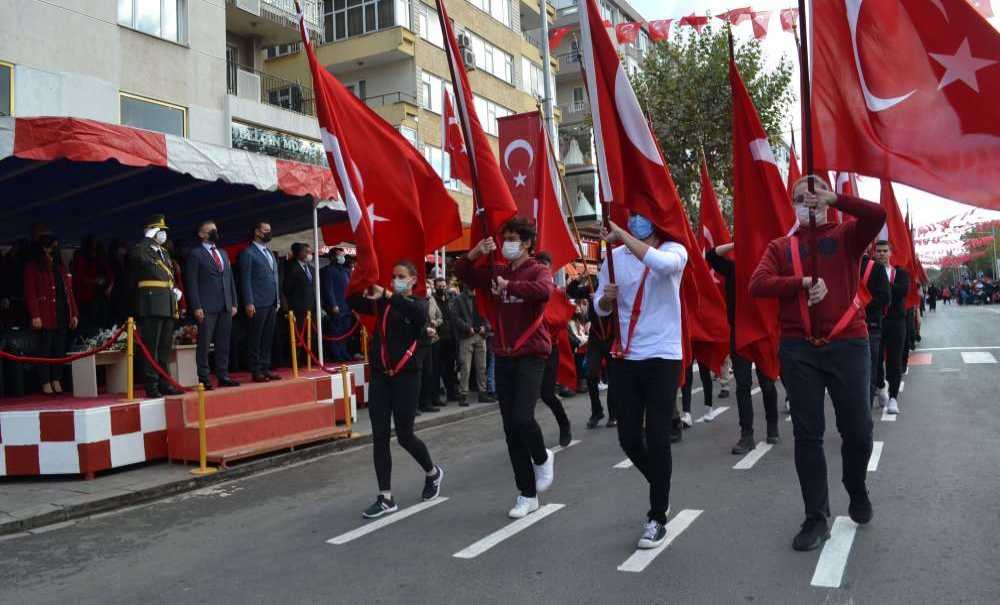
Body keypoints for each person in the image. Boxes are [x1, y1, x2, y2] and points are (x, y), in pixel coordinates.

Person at [749, 176, 885, 552]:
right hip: (799, 348)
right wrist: (801, 282)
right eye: (799, 197)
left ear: (825, 199)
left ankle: (855, 486)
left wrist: (837, 198)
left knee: (857, 429)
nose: (806, 201)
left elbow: (878, 215)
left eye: (813, 194)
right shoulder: (781, 246)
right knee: (807, 435)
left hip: (848, 343)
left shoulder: (846, 236)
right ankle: (816, 517)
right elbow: (756, 284)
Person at [595, 213, 687, 550]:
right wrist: (605, 299)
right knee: (629, 438)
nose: (636, 220)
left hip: (663, 353)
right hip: (625, 356)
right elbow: (600, 306)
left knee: (658, 435)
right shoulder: (613, 258)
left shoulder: (674, 250)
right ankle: (661, 484)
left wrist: (620, 235)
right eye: (630, 216)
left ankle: (657, 515)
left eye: (643, 216)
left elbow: (661, 266)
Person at [455, 218, 555, 519]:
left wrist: (509, 286)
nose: (506, 244)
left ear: (526, 242)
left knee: (524, 418)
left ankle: (542, 456)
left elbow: (543, 291)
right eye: (503, 239)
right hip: (504, 353)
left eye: (512, 238)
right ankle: (527, 494)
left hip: (532, 352)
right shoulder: (497, 271)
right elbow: (461, 271)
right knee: (511, 429)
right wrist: (476, 251)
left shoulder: (538, 269)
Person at [353, 261, 443, 518]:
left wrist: (389, 295)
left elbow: (416, 316)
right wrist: (361, 279)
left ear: (414, 279)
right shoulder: (382, 303)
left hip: (407, 376)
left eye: (401, 276)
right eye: (393, 277)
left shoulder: (419, 303)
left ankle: (432, 473)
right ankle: (385, 497)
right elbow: (353, 301)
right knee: (379, 436)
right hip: (381, 376)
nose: (395, 280)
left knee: (404, 435)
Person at [707, 242, 780, 453]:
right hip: (739, 332)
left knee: (767, 381)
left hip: (763, 333)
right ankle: (746, 435)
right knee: (743, 385)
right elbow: (711, 256)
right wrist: (736, 240)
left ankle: (772, 426)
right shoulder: (733, 268)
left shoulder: (767, 269)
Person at [130, 215, 183, 398]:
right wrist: (146, 238)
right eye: (160, 231)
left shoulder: (164, 252)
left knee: (164, 348)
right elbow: (137, 258)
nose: (163, 234)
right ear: (151, 231)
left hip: (167, 302)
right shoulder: (141, 250)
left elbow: (166, 275)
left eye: (164, 231)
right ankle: (151, 385)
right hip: (152, 304)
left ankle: (164, 382)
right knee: (151, 347)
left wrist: (174, 292)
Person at [186, 220, 239, 390]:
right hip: (206, 306)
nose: (215, 233)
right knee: (204, 343)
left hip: (225, 304)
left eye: (215, 230)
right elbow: (192, 283)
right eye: (210, 231)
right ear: (202, 234)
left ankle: (223, 374)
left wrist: (234, 302)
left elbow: (229, 279)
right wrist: (196, 306)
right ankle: (204, 377)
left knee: (223, 342)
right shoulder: (196, 254)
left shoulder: (223, 253)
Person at [24, 235, 79, 395]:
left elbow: (69, 293)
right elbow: (30, 293)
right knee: (45, 350)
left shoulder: (61, 268)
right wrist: (35, 315)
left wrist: (74, 313)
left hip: (62, 313)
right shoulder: (33, 267)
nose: (52, 251)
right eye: (49, 247)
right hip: (45, 314)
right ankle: (45, 381)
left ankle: (56, 378)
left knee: (59, 349)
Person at [567, 274, 617, 428]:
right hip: (595, 336)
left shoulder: (613, 284)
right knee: (590, 373)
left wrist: (603, 299)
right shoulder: (592, 282)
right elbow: (572, 292)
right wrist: (578, 280)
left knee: (613, 376)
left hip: (612, 335)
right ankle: (596, 411)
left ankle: (614, 414)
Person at [534, 251, 573, 448]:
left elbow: (561, 318)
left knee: (547, 394)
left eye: (546, 267)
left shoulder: (556, 292)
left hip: (550, 349)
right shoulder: (528, 289)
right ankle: (528, 438)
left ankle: (564, 424)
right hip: (529, 351)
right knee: (525, 399)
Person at [239, 221, 282, 383]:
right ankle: (256, 370)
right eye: (266, 230)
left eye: (270, 230)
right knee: (256, 338)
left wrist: (277, 299)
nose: (268, 233)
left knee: (267, 337)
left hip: (271, 301)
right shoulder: (248, 253)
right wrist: (249, 302)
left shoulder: (270, 253)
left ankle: (265, 367)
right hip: (257, 301)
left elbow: (275, 278)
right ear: (257, 232)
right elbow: (245, 280)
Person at [874, 240, 909, 415]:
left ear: (890, 253)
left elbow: (901, 291)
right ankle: (881, 386)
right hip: (876, 322)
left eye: (884, 250)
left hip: (896, 322)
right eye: (878, 250)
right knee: (876, 360)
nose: (881, 253)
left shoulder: (900, 273)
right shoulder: (869, 272)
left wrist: (882, 285)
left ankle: (893, 398)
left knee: (894, 361)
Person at [451, 283, 493, 406]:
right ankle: (463, 395)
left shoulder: (480, 297)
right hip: (467, 336)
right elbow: (455, 317)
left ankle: (482, 393)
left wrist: (485, 327)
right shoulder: (458, 299)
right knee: (465, 367)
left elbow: (487, 314)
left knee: (482, 366)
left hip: (480, 335)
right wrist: (467, 328)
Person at [860, 251, 891, 408]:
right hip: (844, 328)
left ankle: (867, 407)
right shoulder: (842, 265)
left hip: (870, 325)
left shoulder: (876, 268)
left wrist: (861, 306)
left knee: (870, 366)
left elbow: (885, 297)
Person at [71, 235, 113, 336]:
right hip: (86, 297)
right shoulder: (81, 258)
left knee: (100, 321)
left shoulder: (100, 259)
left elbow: (110, 274)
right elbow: (78, 278)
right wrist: (95, 281)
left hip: (100, 296)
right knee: (89, 323)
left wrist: (109, 286)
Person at [283, 243, 317, 361]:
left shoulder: (311, 269)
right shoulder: (291, 267)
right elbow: (287, 288)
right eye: (306, 252)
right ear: (298, 253)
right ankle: (296, 359)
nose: (309, 254)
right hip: (298, 308)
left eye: (310, 252)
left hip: (312, 307)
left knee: (310, 335)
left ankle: (308, 358)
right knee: (298, 336)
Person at [320, 247, 352, 362]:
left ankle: (344, 352)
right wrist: (333, 304)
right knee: (335, 331)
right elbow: (328, 289)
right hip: (336, 306)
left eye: (343, 255)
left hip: (346, 305)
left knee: (345, 331)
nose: (342, 257)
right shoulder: (328, 270)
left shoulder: (345, 271)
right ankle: (336, 354)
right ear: (332, 257)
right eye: (339, 255)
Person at [432, 278, 461, 402]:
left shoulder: (450, 300)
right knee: (437, 368)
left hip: (451, 337)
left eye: (444, 286)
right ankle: (436, 396)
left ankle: (452, 393)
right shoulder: (432, 301)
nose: (442, 288)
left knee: (450, 367)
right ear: (435, 287)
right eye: (439, 286)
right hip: (438, 338)